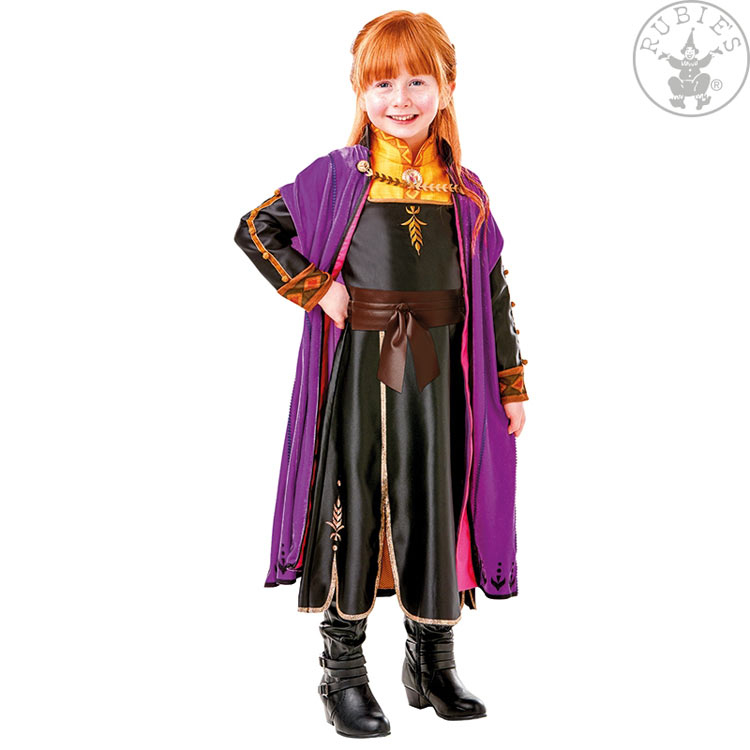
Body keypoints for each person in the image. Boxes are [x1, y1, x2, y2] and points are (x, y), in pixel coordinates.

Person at [233, 11, 529, 739]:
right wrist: (318, 288)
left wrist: (509, 383)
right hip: (362, 369)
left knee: (438, 499)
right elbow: (255, 228)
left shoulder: (466, 191)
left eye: (418, 82)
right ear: (359, 91)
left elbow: (491, 289)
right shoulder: (337, 178)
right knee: (357, 498)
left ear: (447, 87)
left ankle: (431, 663)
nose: (401, 99)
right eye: (383, 84)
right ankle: (343, 673)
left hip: (443, 374)